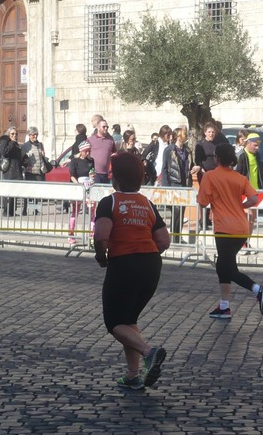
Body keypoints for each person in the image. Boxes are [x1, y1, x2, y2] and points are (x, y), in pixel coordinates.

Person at [94, 152, 170, 390]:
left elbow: (101, 236)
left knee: (114, 322)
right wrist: (146, 253)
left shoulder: (110, 202)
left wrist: (101, 256)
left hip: (123, 264)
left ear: (115, 178)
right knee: (129, 319)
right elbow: (164, 240)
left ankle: (149, 352)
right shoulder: (147, 203)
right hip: (151, 265)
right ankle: (133, 375)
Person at [197, 143, 263, 319]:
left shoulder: (210, 176)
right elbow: (253, 198)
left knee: (226, 268)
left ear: (217, 158)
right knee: (225, 265)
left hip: (224, 227)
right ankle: (224, 306)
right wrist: (240, 205)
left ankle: (257, 290)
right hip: (241, 227)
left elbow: (202, 202)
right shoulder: (240, 178)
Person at [162, 127, 196, 243]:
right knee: (176, 211)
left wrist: (194, 168)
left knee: (181, 211)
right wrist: (166, 187)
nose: (184, 136)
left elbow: (189, 165)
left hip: (184, 183)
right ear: (177, 136)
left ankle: (178, 236)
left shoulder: (187, 150)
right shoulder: (169, 150)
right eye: (183, 134)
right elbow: (165, 168)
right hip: (174, 183)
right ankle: (174, 237)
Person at [235, 132, 263, 253]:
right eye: (255, 145)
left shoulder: (257, 155)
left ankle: (246, 242)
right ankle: (242, 244)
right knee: (246, 218)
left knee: (252, 219)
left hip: (255, 190)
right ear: (247, 143)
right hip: (244, 192)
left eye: (258, 145)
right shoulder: (241, 156)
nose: (257, 148)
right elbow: (237, 174)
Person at [68, 140, 96, 244]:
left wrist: (93, 176)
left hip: (89, 187)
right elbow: (72, 175)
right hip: (79, 187)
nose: (88, 153)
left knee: (93, 211)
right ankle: (71, 234)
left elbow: (93, 172)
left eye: (89, 151)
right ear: (81, 151)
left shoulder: (91, 160)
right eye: (86, 151)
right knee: (75, 212)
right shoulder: (74, 161)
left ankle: (92, 235)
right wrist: (79, 185)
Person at [0, 126, 24, 216]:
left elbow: (18, 157)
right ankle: (6, 211)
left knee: (14, 193)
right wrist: (12, 143)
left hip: (17, 171)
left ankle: (12, 211)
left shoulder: (16, 144)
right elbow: (4, 152)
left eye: (16, 134)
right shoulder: (5, 142)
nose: (15, 136)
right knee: (8, 192)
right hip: (9, 172)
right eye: (12, 134)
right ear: (9, 134)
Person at [20, 126, 46, 215]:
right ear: (29, 135)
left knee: (36, 192)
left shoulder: (40, 144)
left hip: (39, 171)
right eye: (33, 135)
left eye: (36, 135)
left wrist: (43, 154)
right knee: (28, 192)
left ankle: (35, 210)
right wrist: (27, 156)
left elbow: (42, 157)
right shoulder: (25, 146)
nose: (35, 137)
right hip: (29, 171)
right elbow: (22, 159)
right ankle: (24, 210)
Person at [87, 119, 116, 184]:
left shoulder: (110, 140)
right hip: (95, 174)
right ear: (98, 127)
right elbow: (84, 154)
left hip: (107, 174)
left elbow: (114, 152)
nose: (106, 128)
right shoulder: (90, 140)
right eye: (104, 127)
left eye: (107, 127)